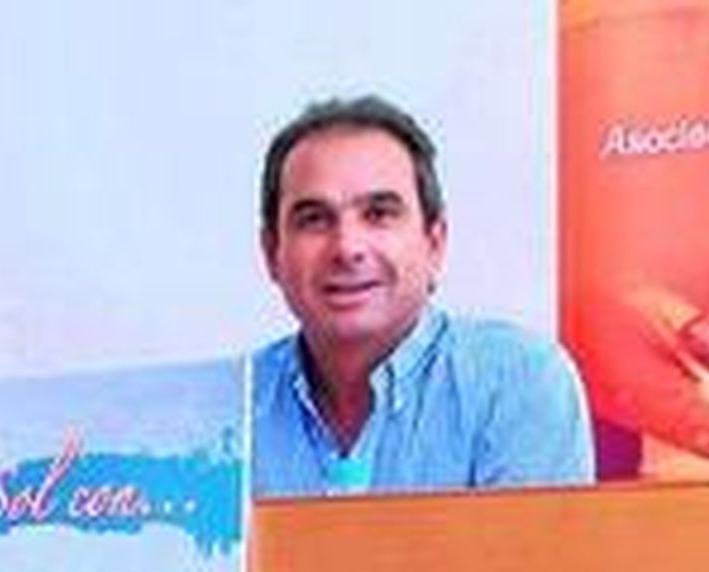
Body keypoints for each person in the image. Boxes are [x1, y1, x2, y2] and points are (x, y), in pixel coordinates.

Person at [254, 95, 595, 498]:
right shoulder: (228, 408)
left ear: (435, 243)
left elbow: (532, 561)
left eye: (379, 214)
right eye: (314, 219)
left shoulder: (516, 382)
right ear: (272, 252)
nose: (347, 247)